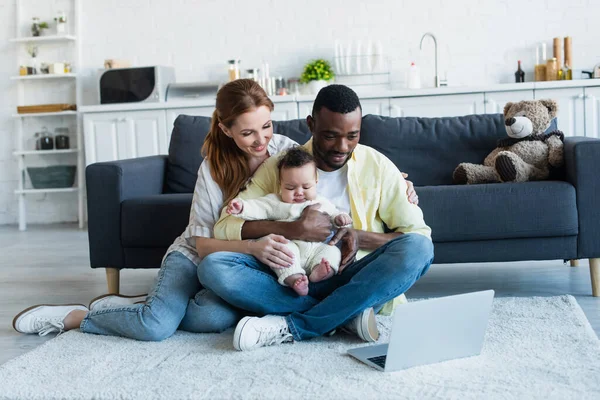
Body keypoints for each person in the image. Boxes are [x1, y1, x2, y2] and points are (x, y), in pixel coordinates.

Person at [12, 80, 418, 341]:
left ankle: (150, 303)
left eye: (267, 127)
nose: (261, 141)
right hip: (198, 253)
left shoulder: (284, 152)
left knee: (213, 321)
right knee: (158, 327)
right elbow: (205, 243)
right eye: (247, 132)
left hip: (263, 262)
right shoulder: (213, 168)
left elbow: (333, 158)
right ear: (226, 129)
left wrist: (399, 178)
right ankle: (77, 317)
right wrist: (259, 248)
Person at [197, 84, 434, 351]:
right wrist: (294, 228)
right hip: (291, 278)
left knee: (420, 249)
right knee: (214, 267)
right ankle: (345, 315)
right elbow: (225, 227)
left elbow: (418, 235)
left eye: (352, 136)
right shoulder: (281, 164)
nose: (342, 147)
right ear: (311, 125)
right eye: (331, 136)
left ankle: (298, 325)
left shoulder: (378, 166)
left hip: (355, 278)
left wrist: (355, 235)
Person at [227, 147, 353, 296]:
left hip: (317, 250)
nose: (299, 192)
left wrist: (341, 219)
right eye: (290, 187)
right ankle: (295, 278)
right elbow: (258, 208)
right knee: (281, 250)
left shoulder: (321, 202)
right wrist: (241, 207)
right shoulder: (275, 201)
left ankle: (320, 272)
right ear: (281, 185)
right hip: (291, 248)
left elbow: (335, 216)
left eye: (306, 186)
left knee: (332, 251)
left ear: (316, 181)